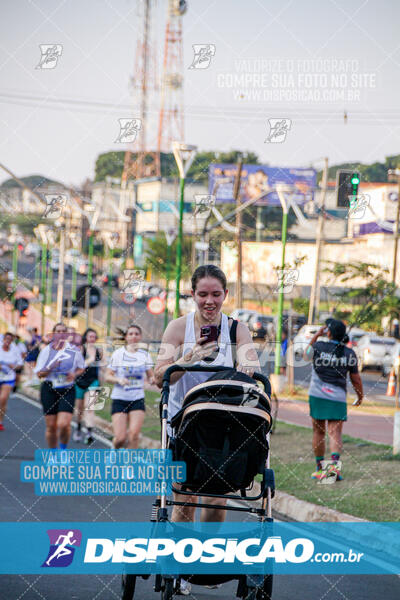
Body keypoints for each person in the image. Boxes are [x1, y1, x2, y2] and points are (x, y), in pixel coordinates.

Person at [154, 264, 259, 595]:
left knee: (216, 498)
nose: (209, 301)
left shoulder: (236, 329)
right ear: (192, 294)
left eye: (216, 294)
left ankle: (205, 558)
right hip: (184, 423)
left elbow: (251, 364)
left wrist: (247, 367)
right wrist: (190, 355)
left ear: (225, 295)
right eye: (203, 294)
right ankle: (182, 567)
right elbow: (159, 376)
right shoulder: (177, 327)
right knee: (184, 495)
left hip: (223, 424)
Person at [304, 318, 364, 482]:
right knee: (335, 433)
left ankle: (319, 468)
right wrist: (360, 396)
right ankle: (332, 472)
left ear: (328, 332)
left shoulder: (318, 346)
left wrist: (316, 335)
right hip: (337, 398)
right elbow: (356, 379)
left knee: (318, 432)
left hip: (317, 395)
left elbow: (305, 355)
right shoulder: (348, 353)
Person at [35, 322, 85, 450]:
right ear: (53, 334)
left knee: (64, 424)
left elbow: (81, 368)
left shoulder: (74, 350)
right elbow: (40, 374)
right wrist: (52, 366)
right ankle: (53, 453)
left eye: (64, 331)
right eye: (58, 331)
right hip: (49, 389)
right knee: (51, 426)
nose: (61, 334)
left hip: (67, 389)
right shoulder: (46, 351)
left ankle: (63, 451)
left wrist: (74, 374)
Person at [106, 324, 154, 450]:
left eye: (136, 334)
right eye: (130, 334)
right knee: (121, 438)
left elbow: (151, 376)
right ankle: (114, 447)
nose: (133, 336)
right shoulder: (118, 354)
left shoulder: (145, 355)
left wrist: (153, 380)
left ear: (140, 337)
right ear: (126, 337)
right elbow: (107, 376)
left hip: (137, 398)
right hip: (120, 398)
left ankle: (129, 466)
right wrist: (118, 379)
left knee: (134, 435)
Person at [74, 328, 103, 445]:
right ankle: (78, 428)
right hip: (80, 382)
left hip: (93, 382)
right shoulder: (81, 349)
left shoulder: (98, 351)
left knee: (90, 407)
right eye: (90, 336)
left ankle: (89, 433)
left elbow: (102, 368)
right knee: (79, 410)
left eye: (94, 337)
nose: (92, 339)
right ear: (85, 337)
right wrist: (89, 361)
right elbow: (78, 366)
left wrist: (102, 382)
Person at [0, 332, 23, 430]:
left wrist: (13, 366)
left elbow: (20, 364)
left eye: (10, 339)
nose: (7, 341)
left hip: (8, 378)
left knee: (3, 399)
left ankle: (0, 422)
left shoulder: (15, 350)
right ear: (3, 339)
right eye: (6, 339)